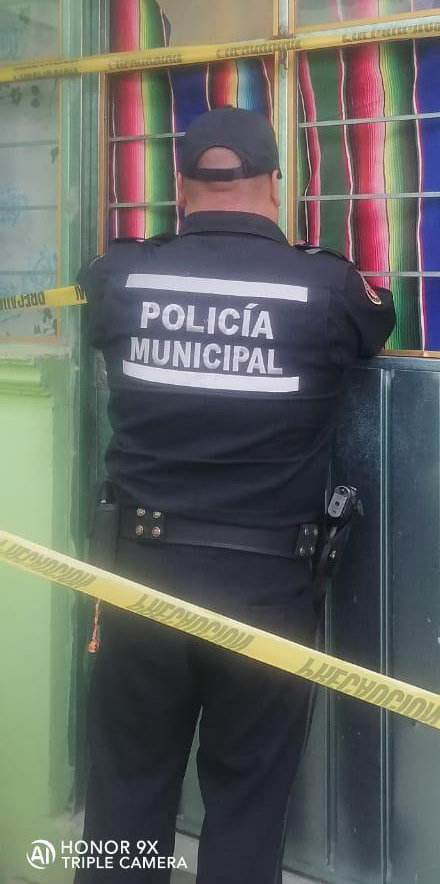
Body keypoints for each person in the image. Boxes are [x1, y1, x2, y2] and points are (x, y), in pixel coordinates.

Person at [77, 105, 395, 883]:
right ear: (276, 183)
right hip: (266, 589)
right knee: (249, 802)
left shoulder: (121, 275)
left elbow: (91, 313)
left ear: (180, 184)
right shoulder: (328, 286)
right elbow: (377, 323)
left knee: (125, 790)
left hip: (137, 576)